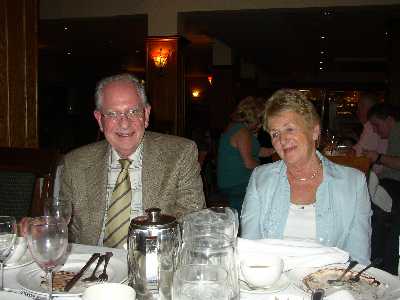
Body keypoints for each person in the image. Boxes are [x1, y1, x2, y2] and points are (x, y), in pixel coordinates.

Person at [59, 73, 205, 248]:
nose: (124, 123)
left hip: (154, 263)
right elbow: (66, 231)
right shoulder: (75, 163)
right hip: (93, 266)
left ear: (146, 114)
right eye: (113, 114)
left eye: (133, 111)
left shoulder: (180, 154)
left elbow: (193, 222)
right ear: (99, 119)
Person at [241, 89, 372, 265]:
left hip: (328, 285)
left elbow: (358, 259)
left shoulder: (353, 183)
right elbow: (251, 250)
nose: (282, 139)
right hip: (274, 284)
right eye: (275, 134)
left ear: (314, 131)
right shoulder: (260, 178)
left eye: (289, 128)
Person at [217, 96, 274, 217]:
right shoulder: (243, 132)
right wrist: (268, 169)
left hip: (231, 181)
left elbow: (258, 151)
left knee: (272, 184)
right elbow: (249, 163)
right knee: (273, 186)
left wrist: (277, 150)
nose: (262, 124)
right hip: (236, 182)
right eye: (261, 120)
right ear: (254, 118)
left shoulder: (237, 128)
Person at [363, 103, 400, 274]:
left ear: (390, 120)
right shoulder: (394, 134)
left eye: (377, 125)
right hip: (390, 184)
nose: (376, 131)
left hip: (395, 186)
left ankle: (376, 264)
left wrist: (377, 157)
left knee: (372, 210)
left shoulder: (398, 130)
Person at [352, 93, 388, 174]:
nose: (357, 111)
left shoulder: (371, 126)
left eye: (361, 107)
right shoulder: (370, 126)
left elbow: (358, 154)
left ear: (370, 109)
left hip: (377, 176)